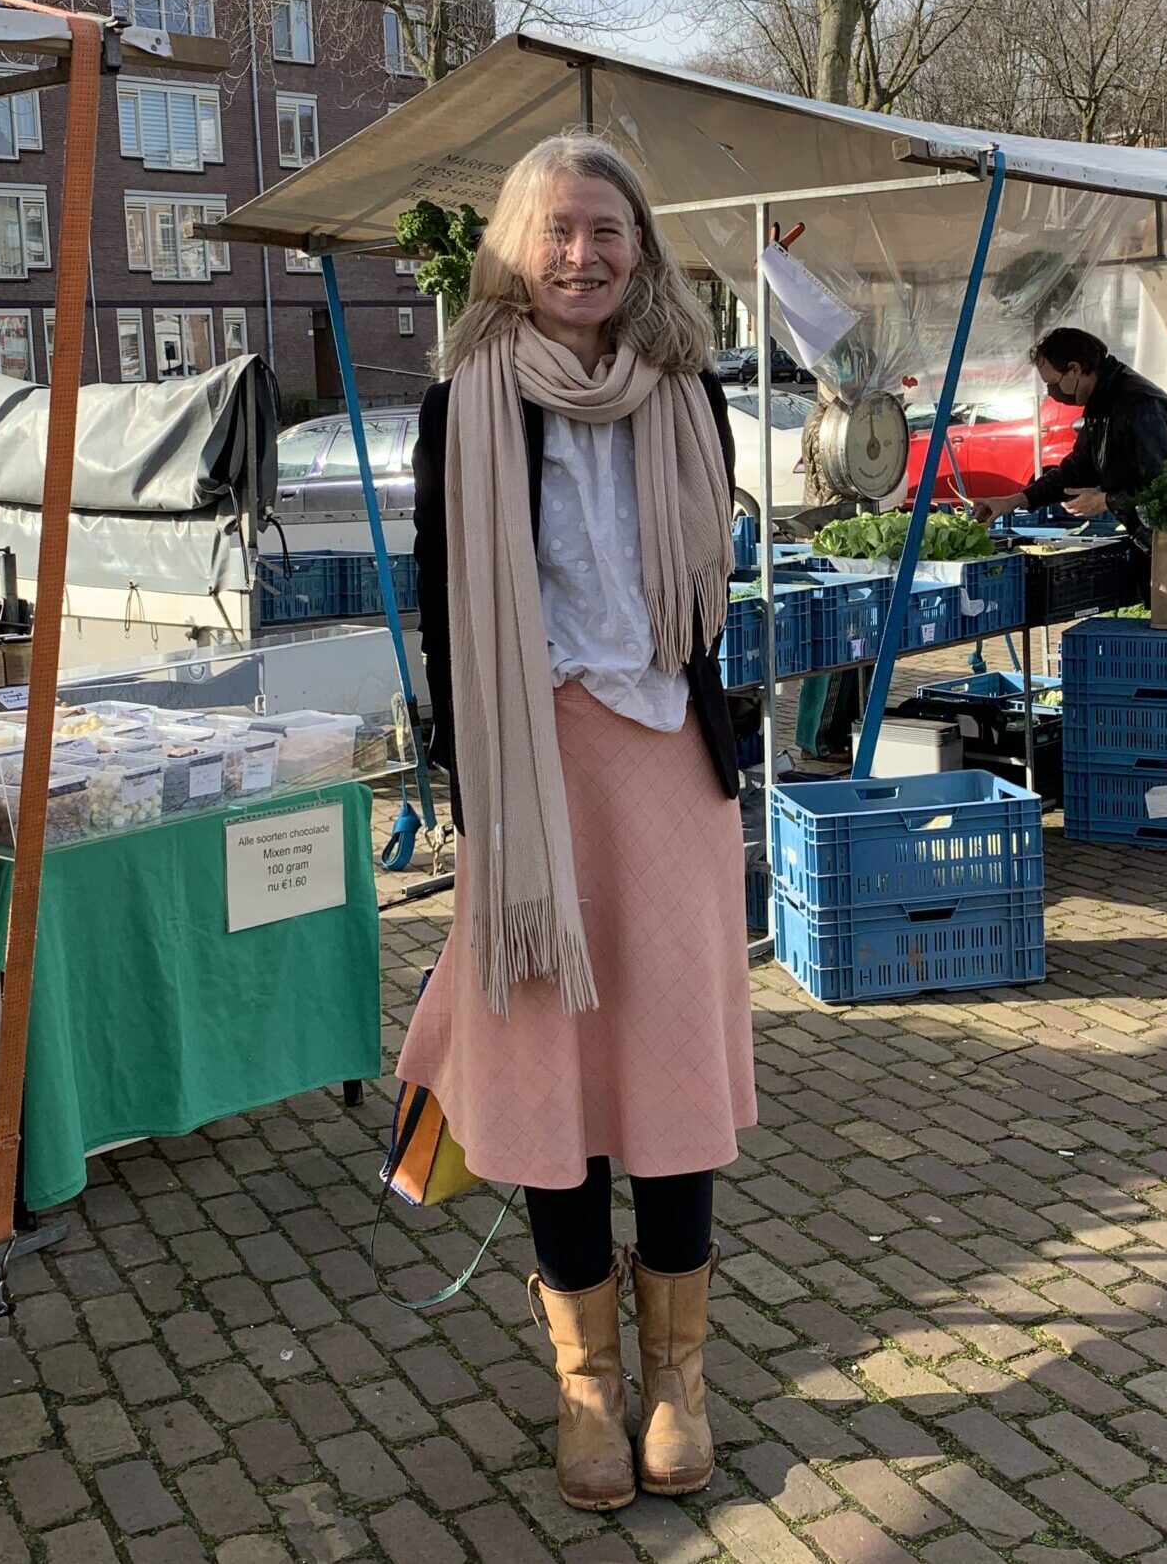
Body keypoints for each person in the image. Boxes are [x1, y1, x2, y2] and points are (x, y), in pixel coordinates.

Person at [400, 132, 756, 1514]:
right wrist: (476, 804)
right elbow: (448, 613)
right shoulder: (467, 404)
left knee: (669, 1079)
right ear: (513, 248)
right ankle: (587, 1385)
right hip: (534, 770)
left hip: (666, 759)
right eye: (556, 231)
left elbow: (710, 591)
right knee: (552, 1082)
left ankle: (682, 1377)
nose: (582, 255)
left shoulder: (689, 393)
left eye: (606, 230)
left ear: (641, 245)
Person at [973, 325, 1167, 535]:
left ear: (1075, 369)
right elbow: (1077, 470)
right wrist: (1012, 501)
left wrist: (1105, 500)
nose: (1052, 393)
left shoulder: (1137, 406)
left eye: (1053, 383)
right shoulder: (1103, 403)